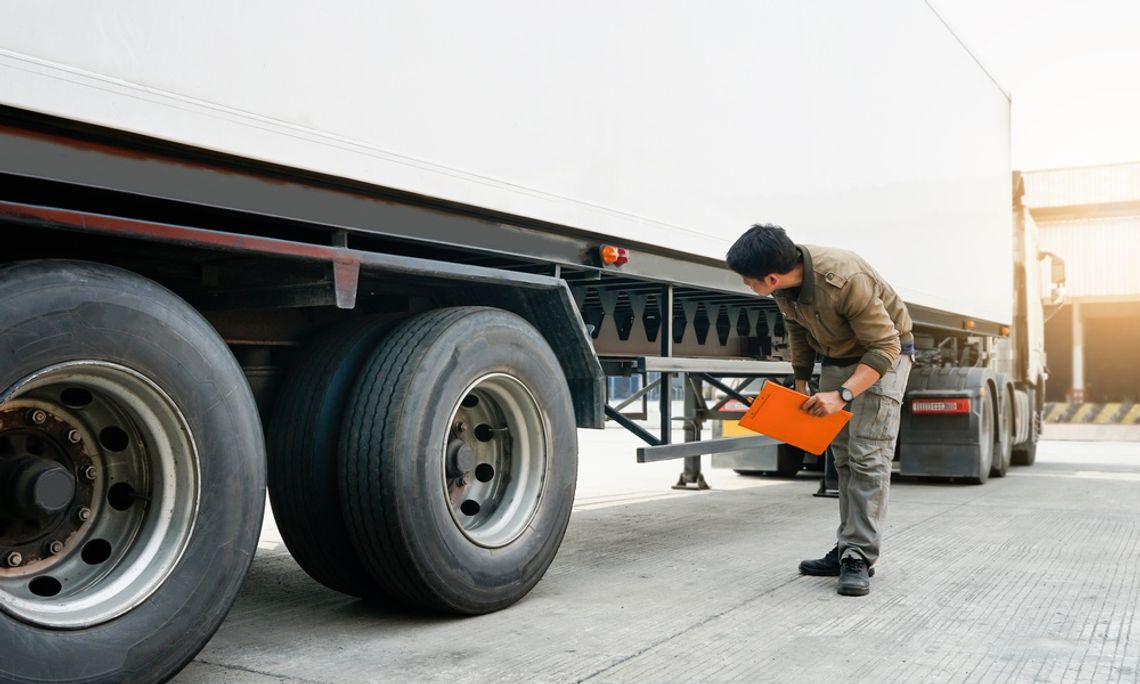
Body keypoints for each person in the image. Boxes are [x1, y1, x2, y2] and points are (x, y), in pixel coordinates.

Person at [725, 223, 913, 596]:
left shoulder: (845, 278)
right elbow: (797, 330)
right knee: (842, 457)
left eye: (748, 280)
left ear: (771, 276)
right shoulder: (784, 288)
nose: (747, 285)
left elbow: (886, 346)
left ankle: (859, 555)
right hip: (837, 355)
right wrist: (799, 382)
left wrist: (841, 395)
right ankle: (848, 547)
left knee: (868, 456)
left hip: (883, 357)